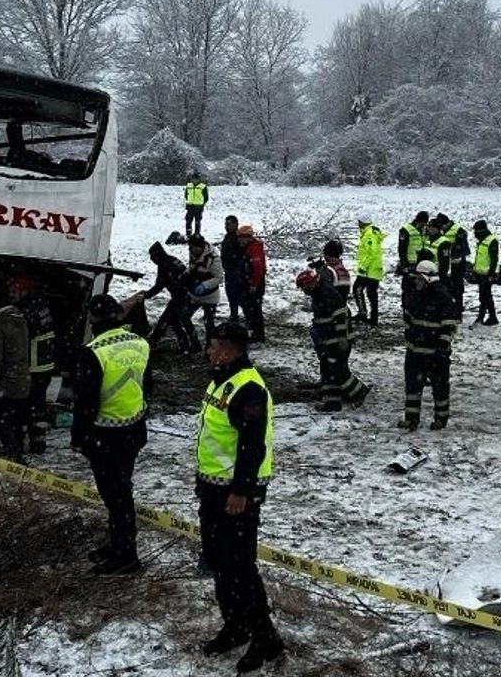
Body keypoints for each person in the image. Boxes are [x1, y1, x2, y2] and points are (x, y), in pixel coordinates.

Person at [193, 322, 284, 672]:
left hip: (237, 493)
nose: (209, 351)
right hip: (213, 487)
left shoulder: (249, 389)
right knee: (219, 561)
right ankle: (235, 624)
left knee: (240, 566)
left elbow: (251, 445)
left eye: (214, 346)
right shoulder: (222, 379)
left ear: (229, 350)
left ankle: (265, 637)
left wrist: (242, 490)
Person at [72, 295, 151, 575]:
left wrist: (79, 437)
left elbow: (86, 402)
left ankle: (126, 556)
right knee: (121, 491)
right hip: (133, 431)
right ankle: (118, 543)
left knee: (116, 497)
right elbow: (146, 384)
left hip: (105, 436)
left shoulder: (92, 351)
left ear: (92, 319)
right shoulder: (140, 343)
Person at [296, 269, 370, 412]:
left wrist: (342, 337)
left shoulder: (326, 293)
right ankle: (332, 403)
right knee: (328, 370)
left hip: (336, 339)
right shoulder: (319, 293)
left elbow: (341, 315)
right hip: (328, 339)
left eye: (304, 287)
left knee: (338, 370)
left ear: (311, 283)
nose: (304, 291)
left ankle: (359, 391)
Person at [399, 261, 461, 430]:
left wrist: (442, 347)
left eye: (420, 279)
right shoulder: (414, 294)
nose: (416, 282)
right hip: (415, 351)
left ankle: (441, 418)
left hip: (435, 353)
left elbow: (449, 325)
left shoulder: (442, 297)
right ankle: (411, 419)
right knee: (412, 386)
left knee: (440, 387)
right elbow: (409, 319)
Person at [9, 276, 56, 455]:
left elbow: (23, 335)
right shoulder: (41, 305)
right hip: (46, 365)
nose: (11, 294)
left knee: (24, 405)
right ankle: (38, 442)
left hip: (33, 366)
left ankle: (20, 443)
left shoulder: (25, 310)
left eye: (14, 291)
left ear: (24, 290)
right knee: (39, 405)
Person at [0, 293, 31, 463]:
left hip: (6, 382)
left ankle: (14, 454)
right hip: (23, 379)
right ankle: (18, 448)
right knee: (18, 419)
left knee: (1, 420)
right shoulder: (21, 320)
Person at [143, 241, 200, 354]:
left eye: (152, 256)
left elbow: (159, 285)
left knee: (164, 321)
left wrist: (146, 295)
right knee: (175, 321)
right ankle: (188, 344)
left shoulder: (165, 265)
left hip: (181, 296)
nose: (151, 259)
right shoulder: (171, 260)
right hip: (185, 294)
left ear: (157, 255)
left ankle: (152, 343)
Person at [187, 235, 224, 342]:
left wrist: (205, 285)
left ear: (200, 247)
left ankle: (210, 348)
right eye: (189, 247)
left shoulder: (214, 259)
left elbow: (219, 278)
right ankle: (194, 342)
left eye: (192, 247)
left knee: (209, 324)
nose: (190, 250)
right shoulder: (192, 253)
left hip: (210, 296)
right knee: (184, 317)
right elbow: (192, 267)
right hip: (194, 294)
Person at [238, 225, 268, 343]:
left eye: (241, 237)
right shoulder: (250, 247)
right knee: (252, 309)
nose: (239, 240)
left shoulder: (254, 249)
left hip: (254, 284)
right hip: (250, 283)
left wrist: (253, 284)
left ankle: (258, 335)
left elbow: (259, 268)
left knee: (254, 310)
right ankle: (255, 333)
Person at [354, 215, 385, 325]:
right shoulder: (372, 232)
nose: (358, 225)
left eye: (359, 222)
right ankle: (373, 318)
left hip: (368, 270)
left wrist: (363, 266)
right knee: (372, 294)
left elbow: (372, 253)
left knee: (357, 289)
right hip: (374, 270)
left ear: (363, 223)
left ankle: (363, 314)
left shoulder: (369, 235)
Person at [433, 213, 469, 309]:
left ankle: (458, 306)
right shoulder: (442, 231)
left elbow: (464, 249)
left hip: (457, 264)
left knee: (457, 286)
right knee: (446, 286)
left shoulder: (458, 230)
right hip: (445, 263)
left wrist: (452, 252)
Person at [472, 220, 500, 326]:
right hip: (480, 273)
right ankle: (490, 316)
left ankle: (484, 316)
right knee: (485, 296)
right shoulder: (482, 240)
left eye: (476, 231)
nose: (475, 233)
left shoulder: (491, 241)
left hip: (487, 274)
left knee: (485, 296)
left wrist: (491, 274)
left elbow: (494, 259)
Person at [221, 216, 249, 322]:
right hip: (228, 271)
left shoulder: (238, 239)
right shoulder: (227, 237)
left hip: (237, 272)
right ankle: (234, 315)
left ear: (235, 225)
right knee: (231, 295)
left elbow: (241, 255)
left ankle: (249, 317)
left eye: (228, 224)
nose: (226, 227)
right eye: (226, 224)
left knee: (240, 297)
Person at [397, 211, 430, 276]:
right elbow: (401, 248)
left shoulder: (426, 230)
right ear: (419, 221)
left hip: (422, 262)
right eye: (423, 224)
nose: (424, 226)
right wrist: (403, 264)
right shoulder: (406, 230)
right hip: (410, 262)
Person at [184, 173, 210, 239]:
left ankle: (197, 234)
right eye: (193, 179)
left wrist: (202, 204)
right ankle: (188, 234)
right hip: (190, 206)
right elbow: (186, 195)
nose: (194, 180)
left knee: (197, 221)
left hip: (199, 207)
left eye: (196, 179)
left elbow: (206, 197)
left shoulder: (203, 186)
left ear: (198, 179)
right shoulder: (188, 185)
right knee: (188, 221)